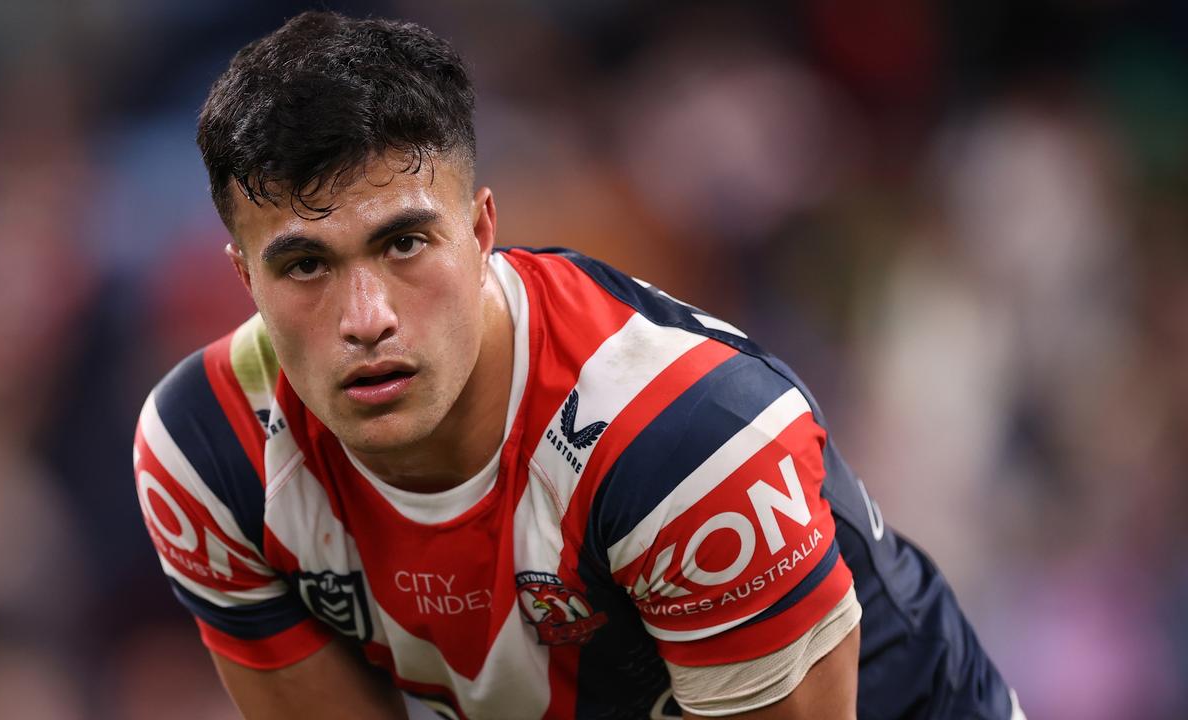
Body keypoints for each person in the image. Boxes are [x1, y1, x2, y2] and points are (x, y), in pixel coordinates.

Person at [132, 11, 1022, 720]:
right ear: (243, 276)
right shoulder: (207, 455)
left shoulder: (689, 444)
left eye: (404, 243)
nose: (366, 319)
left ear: (483, 232)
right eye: (305, 265)